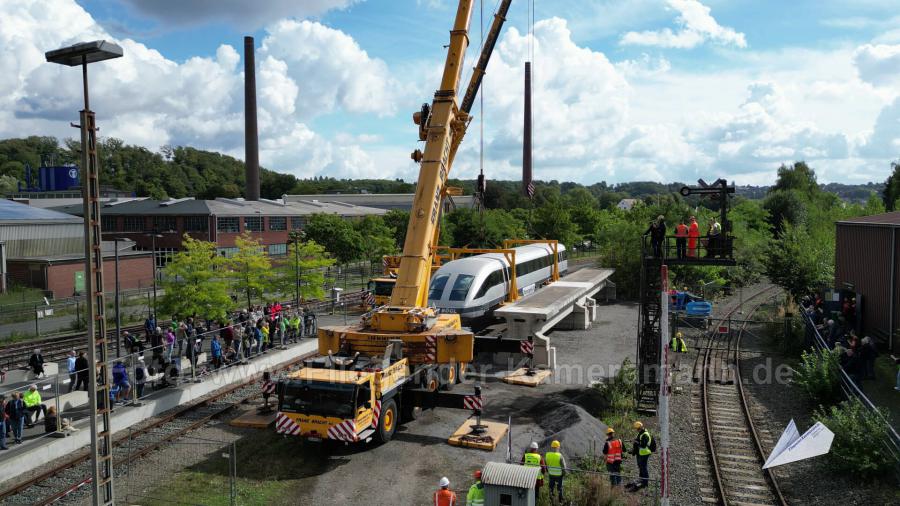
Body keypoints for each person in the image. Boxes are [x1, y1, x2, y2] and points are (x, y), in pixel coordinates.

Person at [627, 421, 653, 491]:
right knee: (640, 466)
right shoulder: (640, 433)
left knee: (643, 467)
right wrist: (634, 444)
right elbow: (638, 441)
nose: (637, 430)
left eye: (638, 428)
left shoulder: (645, 434)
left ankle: (645, 482)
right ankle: (641, 479)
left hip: (644, 453)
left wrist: (636, 442)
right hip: (640, 453)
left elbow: (643, 445)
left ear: (640, 427)